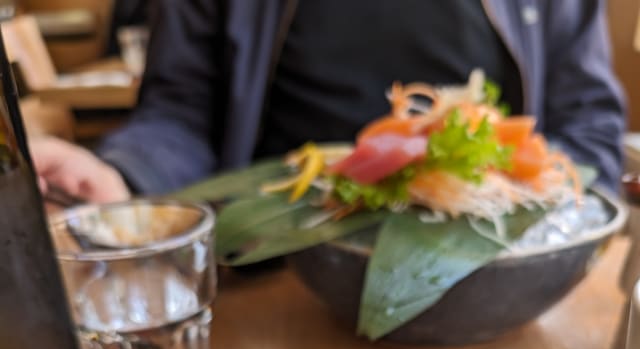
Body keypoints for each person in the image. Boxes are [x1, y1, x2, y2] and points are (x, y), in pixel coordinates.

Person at [32, 0, 626, 204]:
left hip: (497, 282)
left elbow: (590, 128)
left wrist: (533, 206)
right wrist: (120, 171)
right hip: (271, 267)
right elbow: (182, 111)